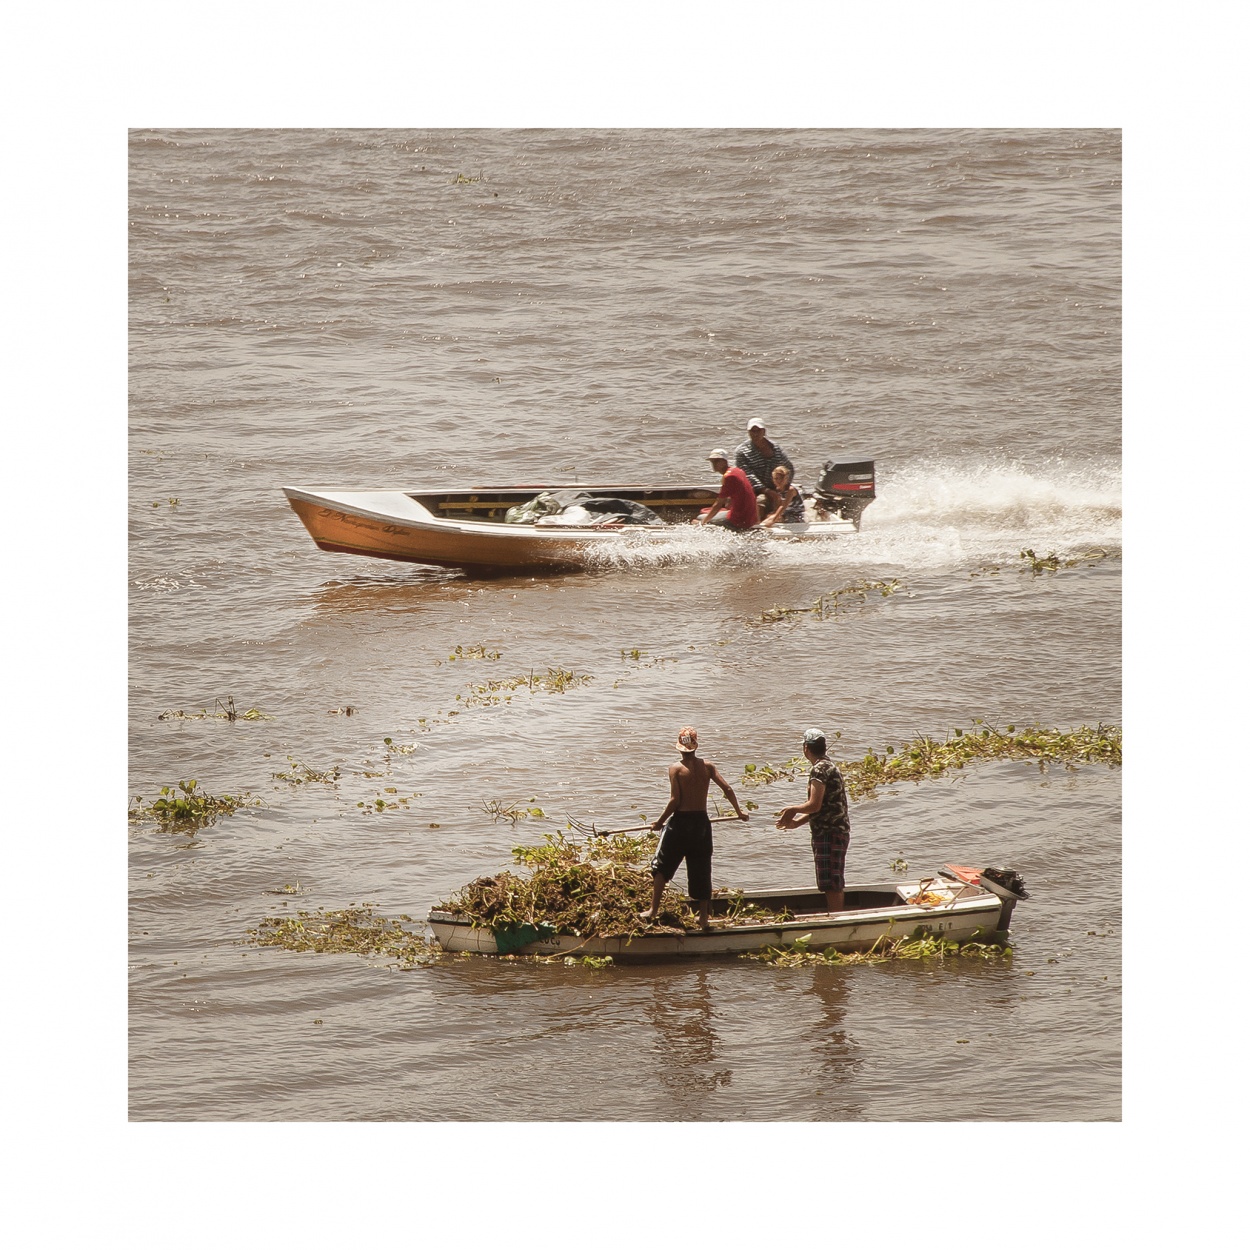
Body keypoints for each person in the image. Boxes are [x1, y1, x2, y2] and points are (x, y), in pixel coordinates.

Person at [641, 726, 749, 929]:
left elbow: (675, 801)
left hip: (680, 823)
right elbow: (727, 788)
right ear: (695, 746)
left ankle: (653, 910)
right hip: (701, 824)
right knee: (701, 868)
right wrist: (739, 812)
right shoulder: (707, 767)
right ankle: (704, 918)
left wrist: (659, 822)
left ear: (680, 747)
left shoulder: (676, 769)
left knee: (661, 866)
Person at [775, 728, 851, 912]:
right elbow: (823, 807)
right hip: (835, 830)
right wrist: (796, 823)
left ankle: (836, 920)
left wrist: (793, 809)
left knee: (831, 883)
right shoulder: (829, 766)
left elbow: (814, 804)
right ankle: (836, 916)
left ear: (806, 748)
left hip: (829, 832)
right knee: (832, 880)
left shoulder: (819, 769)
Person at [734, 419, 795, 519]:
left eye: (758, 430)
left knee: (793, 496)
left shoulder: (775, 448)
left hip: (778, 486)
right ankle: (759, 526)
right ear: (748, 432)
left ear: (764, 431)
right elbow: (748, 475)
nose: (755, 434)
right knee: (760, 501)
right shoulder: (741, 452)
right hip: (757, 490)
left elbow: (789, 468)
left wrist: (783, 487)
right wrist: (767, 491)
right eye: (752, 431)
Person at [698, 448, 758, 531]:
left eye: (717, 461)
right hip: (750, 517)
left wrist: (703, 522)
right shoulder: (737, 471)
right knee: (705, 511)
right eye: (712, 462)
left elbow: (718, 505)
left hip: (739, 520)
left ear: (725, 461)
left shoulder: (729, 477)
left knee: (699, 518)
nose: (714, 464)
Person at [759, 464, 806, 528]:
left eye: (781, 478)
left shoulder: (791, 490)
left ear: (786, 478)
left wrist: (773, 520)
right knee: (768, 517)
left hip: (796, 515)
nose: (778, 481)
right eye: (776, 478)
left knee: (773, 519)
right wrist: (773, 515)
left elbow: (783, 506)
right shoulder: (778, 489)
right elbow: (778, 505)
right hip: (786, 513)